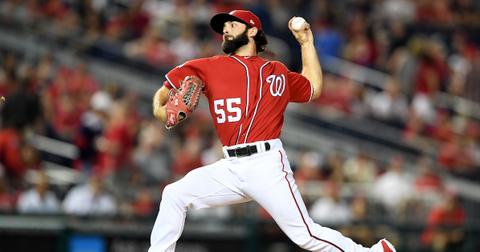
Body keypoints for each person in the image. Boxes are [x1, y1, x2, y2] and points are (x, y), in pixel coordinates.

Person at [150, 10, 395, 252]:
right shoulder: (207, 67)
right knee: (174, 195)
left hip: (265, 164)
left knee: (305, 234)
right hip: (230, 166)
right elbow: (163, 93)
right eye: (223, 27)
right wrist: (162, 113)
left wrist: (306, 42)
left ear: (252, 30)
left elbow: (312, 87)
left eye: (232, 25)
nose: (225, 30)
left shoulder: (276, 71)